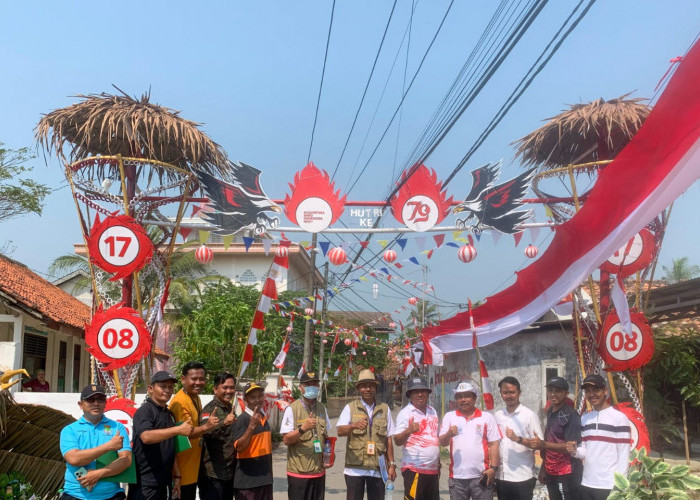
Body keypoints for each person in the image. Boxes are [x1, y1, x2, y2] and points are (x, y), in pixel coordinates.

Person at [59, 384, 132, 500]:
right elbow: (74, 458)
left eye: (100, 399)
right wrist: (108, 446)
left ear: (105, 403)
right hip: (75, 495)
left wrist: (98, 474)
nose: (96, 403)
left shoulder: (117, 427)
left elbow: (126, 460)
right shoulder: (69, 430)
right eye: (90, 399)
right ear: (80, 404)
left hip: (111, 495)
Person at [566, 374, 631, 500]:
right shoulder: (585, 419)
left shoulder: (619, 418)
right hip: (587, 482)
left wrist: (619, 485)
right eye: (588, 391)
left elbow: (624, 455)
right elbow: (585, 451)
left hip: (609, 484)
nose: (591, 394)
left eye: (596, 390)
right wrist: (574, 451)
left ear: (605, 391)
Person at [130, 371, 193, 500]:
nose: (167, 390)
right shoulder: (145, 411)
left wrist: (177, 477)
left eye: (170, 387)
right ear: (150, 388)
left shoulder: (169, 414)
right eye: (163, 386)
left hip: (164, 482)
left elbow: (171, 448)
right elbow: (146, 437)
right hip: (145, 483)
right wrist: (177, 430)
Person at [336, 369, 397, 500]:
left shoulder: (384, 409)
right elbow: (340, 431)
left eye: (370, 385)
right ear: (359, 388)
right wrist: (353, 426)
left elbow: (389, 439)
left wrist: (391, 465)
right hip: (354, 467)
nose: (367, 389)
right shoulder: (350, 408)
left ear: (375, 387)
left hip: (377, 468)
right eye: (363, 386)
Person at [439, 382, 501, 500]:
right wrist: (449, 434)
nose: (463, 400)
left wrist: (493, 469)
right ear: (456, 399)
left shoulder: (487, 417)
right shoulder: (450, 417)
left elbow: (494, 444)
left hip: (481, 476)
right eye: (459, 396)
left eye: (467, 396)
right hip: (457, 478)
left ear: (475, 398)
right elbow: (442, 442)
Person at [169, 362, 220, 500]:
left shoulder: (195, 397)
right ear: (183, 379)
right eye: (194, 379)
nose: (198, 382)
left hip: (193, 466)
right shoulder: (180, 402)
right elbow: (186, 432)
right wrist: (207, 427)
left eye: (201, 379)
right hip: (182, 469)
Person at [280, 371, 332, 500]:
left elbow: (326, 437)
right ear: (301, 387)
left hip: (319, 471)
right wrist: (302, 429)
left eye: (315, 383)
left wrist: (330, 456)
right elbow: (286, 439)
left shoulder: (321, 408)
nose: (312, 386)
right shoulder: (292, 409)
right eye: (308, 384)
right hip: (299, 473)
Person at [528, 376, 582, 500]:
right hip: (551, 471)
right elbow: (550, 441)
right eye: (550, 390)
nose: (553, 394)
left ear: (566, 393)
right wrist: (543, 468)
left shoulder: (571, 415)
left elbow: (570, 447)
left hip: (567, 473)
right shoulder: (551, 411)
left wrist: (543, 445)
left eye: (557, 391)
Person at [494, 376, 543, 500]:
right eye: (505, 392)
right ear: (501, 394)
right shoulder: (497, 416)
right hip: (502, 476)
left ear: (519, 393)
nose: (509, 396)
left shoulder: (529, 415)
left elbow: (539, 444)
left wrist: (518, 439)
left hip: (523, 477)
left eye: (512, 392)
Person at [393, 377, 440, 500]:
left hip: (433, 471)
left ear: (428, 394)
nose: (420, 394)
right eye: (415, 392)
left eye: (423, 391)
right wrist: (408, 430)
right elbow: (397, 441)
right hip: (414, 470)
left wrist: (438, 463)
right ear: (410, 395)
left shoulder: (432, 411)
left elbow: (434, 438)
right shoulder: (405, 413)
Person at [232, 382, 274, 500]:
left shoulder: (263, 417)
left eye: (260, 396)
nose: (257, 400)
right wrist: (251, 427)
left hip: (265, 480)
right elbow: (239, 447)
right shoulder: (242, 420)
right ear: (245, 399)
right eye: (253, 397)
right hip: (248, 483)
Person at [201, 373, 238, 500]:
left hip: (230, 472)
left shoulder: (230, 408)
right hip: (213, 475)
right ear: (215, 389)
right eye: (225, 387)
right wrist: (223, 423)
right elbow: (204, 433)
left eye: (232, 387)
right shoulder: (210, 409)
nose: (229, 391)